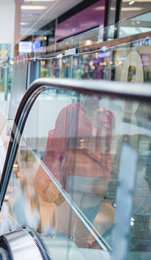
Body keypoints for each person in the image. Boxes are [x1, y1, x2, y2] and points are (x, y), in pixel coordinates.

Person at [35, 95, 115, 247]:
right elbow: (56, 149)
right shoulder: (69, 112)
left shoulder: (109, 116)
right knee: (62, 233)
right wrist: (55, 179)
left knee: (82, 236)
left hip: (95, 186)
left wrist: (106, 179)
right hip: (70, 183)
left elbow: (108, 151)